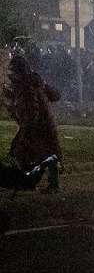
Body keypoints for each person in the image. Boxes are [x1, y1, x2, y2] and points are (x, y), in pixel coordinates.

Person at [3, 56, 61, 193]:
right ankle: (42, 182)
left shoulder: (27, 87)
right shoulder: (31, 83)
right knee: (46, 153)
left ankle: (31, 182)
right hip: (42, 125)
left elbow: (31, 111)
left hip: (38, 126)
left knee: (23, 150)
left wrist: (26, 131)